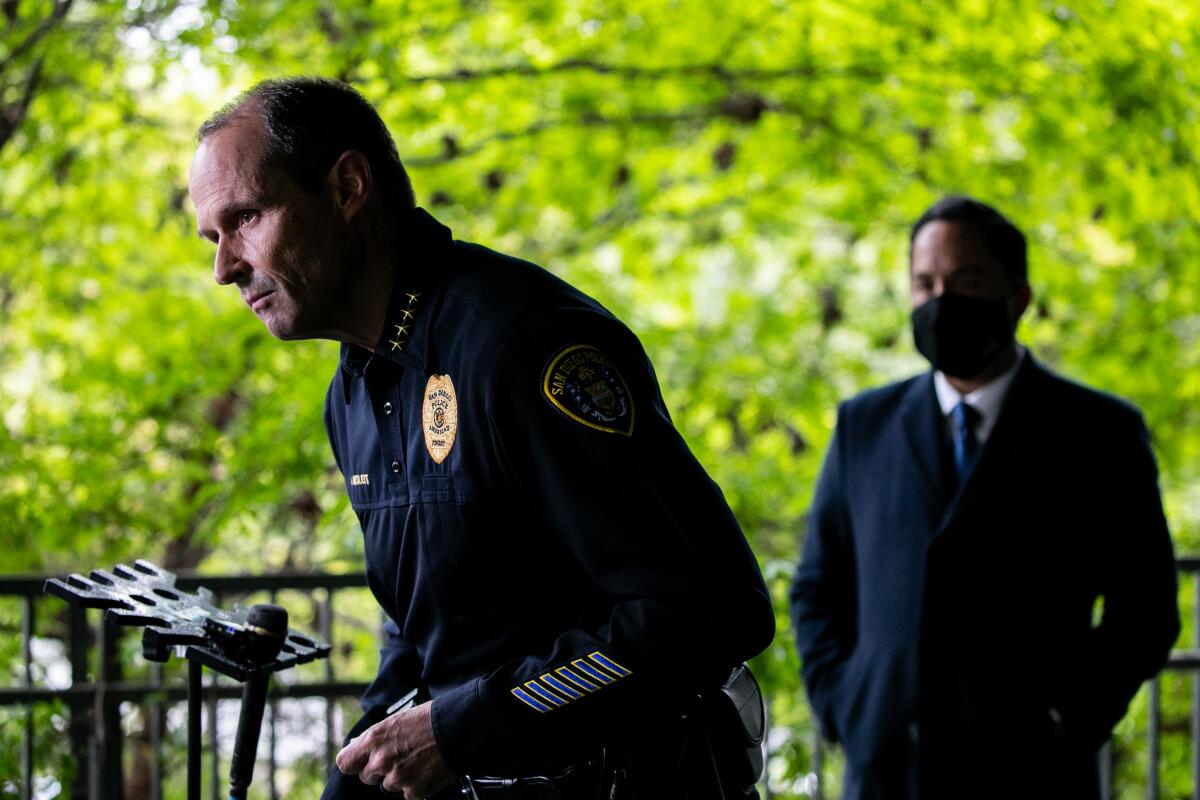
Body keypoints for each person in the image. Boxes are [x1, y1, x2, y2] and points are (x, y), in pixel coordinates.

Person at [188, 76, 775, 799]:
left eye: (244, 218)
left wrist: (465, 726)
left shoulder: (520, 346)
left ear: (346, 188)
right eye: (213, 237)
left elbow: (703, 613)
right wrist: (366, 766)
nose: (223, 267)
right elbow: (425, 631)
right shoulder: (353, 392)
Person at [788, 195, 1180, 799]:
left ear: (1016, 296)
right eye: (925, 283)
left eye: (965, 279)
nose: (941, 299)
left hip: (1031, 773)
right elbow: (817, 588)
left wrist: (1068, 720)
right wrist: (845, 708)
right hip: (886, 770)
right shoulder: (862, 426)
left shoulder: (1099, 432)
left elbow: (1147, 610)